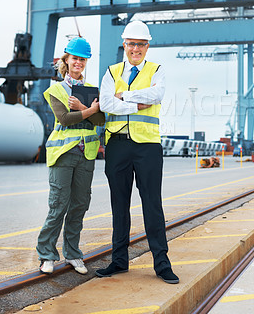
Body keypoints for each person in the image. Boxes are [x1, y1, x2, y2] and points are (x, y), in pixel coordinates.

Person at [96, 20, 179, 284]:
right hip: (117, 145)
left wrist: (124, 96)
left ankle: (162, 264)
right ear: (125, 44)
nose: (136, 49)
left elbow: (157, 95)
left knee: (152, 205)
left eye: (141, 44)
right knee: (119, 206)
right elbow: (107, 102)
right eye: (132, 44)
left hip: (148, 147)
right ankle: (119, 262)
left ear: (147, 46)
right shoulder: (111, 72)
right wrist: (135, 103)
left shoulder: (157, 70)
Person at [36, 37, 100, 275]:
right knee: (58, 205)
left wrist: (87, 109)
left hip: (86, 155)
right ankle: (46, 255)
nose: (79, 63)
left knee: (79, 206)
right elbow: (64, 118)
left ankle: (73, 254)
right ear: (66, 60)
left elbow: (100, 120)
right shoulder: (55, 90)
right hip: (63, 154)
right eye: (75, 58)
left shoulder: (91, 90)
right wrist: (91, 111)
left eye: (82, 59)